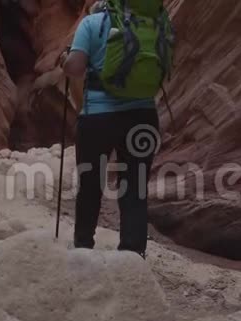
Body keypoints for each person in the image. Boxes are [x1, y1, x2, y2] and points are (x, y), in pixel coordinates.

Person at [61, 2, 161, 257]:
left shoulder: (92, 23)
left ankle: (83, 248)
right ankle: (133, 254)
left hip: (98, 117)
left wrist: (64, 59)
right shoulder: (153, 23)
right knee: (135, 188)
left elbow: (75, 67)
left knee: (90, 183)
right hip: (143, 117)